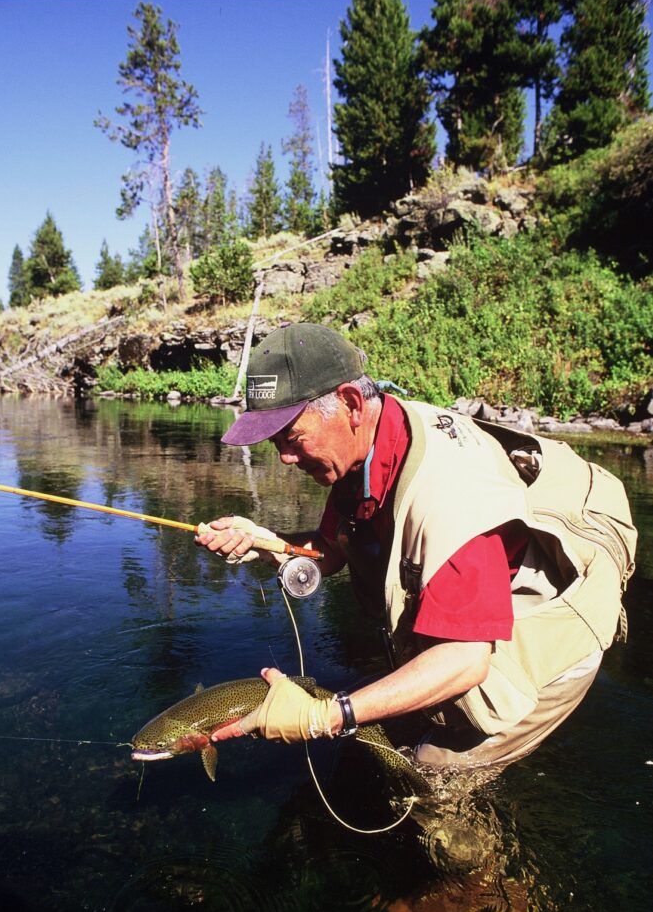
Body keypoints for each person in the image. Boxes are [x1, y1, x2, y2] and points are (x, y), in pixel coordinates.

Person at [196, 322, 637, 780]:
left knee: (428, 779)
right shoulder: (361, 443)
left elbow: (464, 661)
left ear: (348, 403)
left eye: (292, 437)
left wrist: (324, 717)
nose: (284, 458)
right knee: (381, 732)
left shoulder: (452, 496)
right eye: (275, 443)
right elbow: (332, 548)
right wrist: (267, 542)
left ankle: (479, 845)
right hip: (474, 605)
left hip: (546, 632)